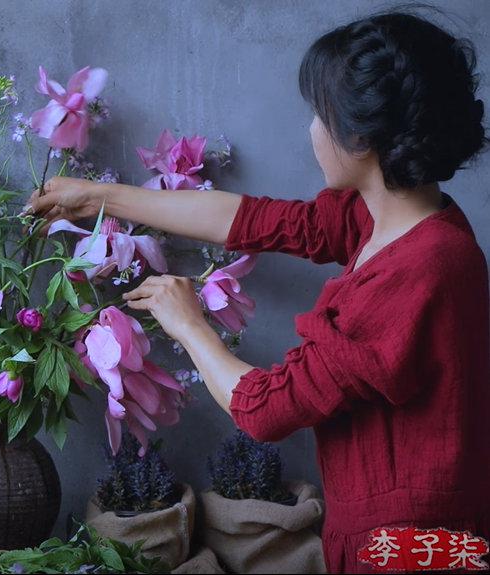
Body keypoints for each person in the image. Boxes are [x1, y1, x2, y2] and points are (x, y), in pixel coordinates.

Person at [27, 9, 489, 574]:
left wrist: (189, 323)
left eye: (320, 115)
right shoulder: (396, 221)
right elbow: (253, 221)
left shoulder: (424, 266)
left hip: (410, 553)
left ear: (361, 136)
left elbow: (266, 409)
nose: (312, 130)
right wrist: (101, 197)